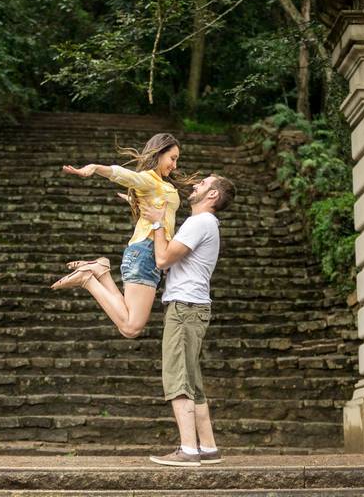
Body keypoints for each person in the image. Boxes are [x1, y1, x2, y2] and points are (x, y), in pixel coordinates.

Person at [50, 133, 196, 339]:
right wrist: (95, 168)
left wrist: (134, 201)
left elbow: (156, 208)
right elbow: (124, 175)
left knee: (127, 325)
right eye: (172, 158)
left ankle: (101, 270)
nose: (175, 164)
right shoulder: (149, 179)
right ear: (159, 153)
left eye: (177, 159)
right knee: (130, 328)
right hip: (145, 253)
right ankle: (87, 279)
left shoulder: (161, 185)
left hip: (147, 253)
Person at [141, 173, 236, 467]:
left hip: (185, 308)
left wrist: (157, 223)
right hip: (192, 306)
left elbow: (162, 259)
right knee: (192, 380)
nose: (196, 185)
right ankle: (207, 447)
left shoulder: (200, 222)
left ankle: (188, 449)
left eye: (204, 183)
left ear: (213, 196)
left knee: (177, 376)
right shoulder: (204, 224)